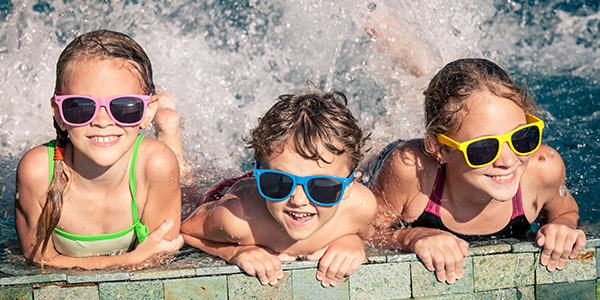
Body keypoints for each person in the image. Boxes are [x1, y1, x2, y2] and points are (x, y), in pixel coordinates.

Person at [369, 58, 586, 284]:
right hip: (396, 159)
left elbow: (564, 212)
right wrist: (409, 236)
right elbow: (366, 232)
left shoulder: (543, 168)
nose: (509, 159)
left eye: (521, 138)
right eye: (484, 147)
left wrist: (563, 225)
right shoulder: (410, 173)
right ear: (439, 148)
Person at [14, 30, 183, 271]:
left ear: (145, 112)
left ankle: (167, 125)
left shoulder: (157, 165)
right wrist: (129, 259)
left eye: (125, 107)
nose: (102, 121)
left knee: (187, 181)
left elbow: (161, 253)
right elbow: (38, 258)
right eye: (81, 107)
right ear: (59, 114)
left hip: (148, 163)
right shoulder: (39, 171)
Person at [179, 91, 377, 287]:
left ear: (349, 186)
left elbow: (369, 234)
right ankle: (174, 145)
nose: (299, 200)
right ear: (260, 175)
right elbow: (185, 230)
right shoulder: (238, 219)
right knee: (189, 190)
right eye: (280, 182)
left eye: (322, 186)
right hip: (229, 193)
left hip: (269, 187)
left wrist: (355, 243)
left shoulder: (359, 208)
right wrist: (233, 252)